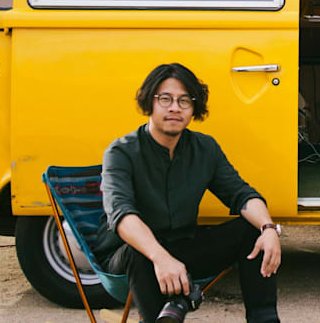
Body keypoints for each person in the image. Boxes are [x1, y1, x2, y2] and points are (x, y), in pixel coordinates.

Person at [96, 63, 282, 323]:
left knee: (252, 231)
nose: (175, 107)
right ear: (150, 102)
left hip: (183, 250)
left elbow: (241, 194)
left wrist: (269, 228)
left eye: (184, 100)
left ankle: (264, 319)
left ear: (194, 108)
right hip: (131, 257)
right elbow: (121, 214)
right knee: (138, 252)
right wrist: (160, 258)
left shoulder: (204, 148)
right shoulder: (121, 152)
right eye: (165, 99)